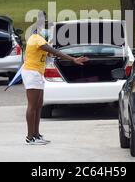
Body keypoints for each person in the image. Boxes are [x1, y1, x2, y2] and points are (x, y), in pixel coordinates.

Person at [22, 11, 88, 145]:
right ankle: (30, 137)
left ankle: (36, 134)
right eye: (42, 24)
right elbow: (55, 51)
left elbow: (48, 55)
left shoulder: (40, 39)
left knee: (39, 105)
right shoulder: (36, 38)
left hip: (38, 73)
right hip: (31, 72)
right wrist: (73, 59)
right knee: (32, 106)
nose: (45, 28)